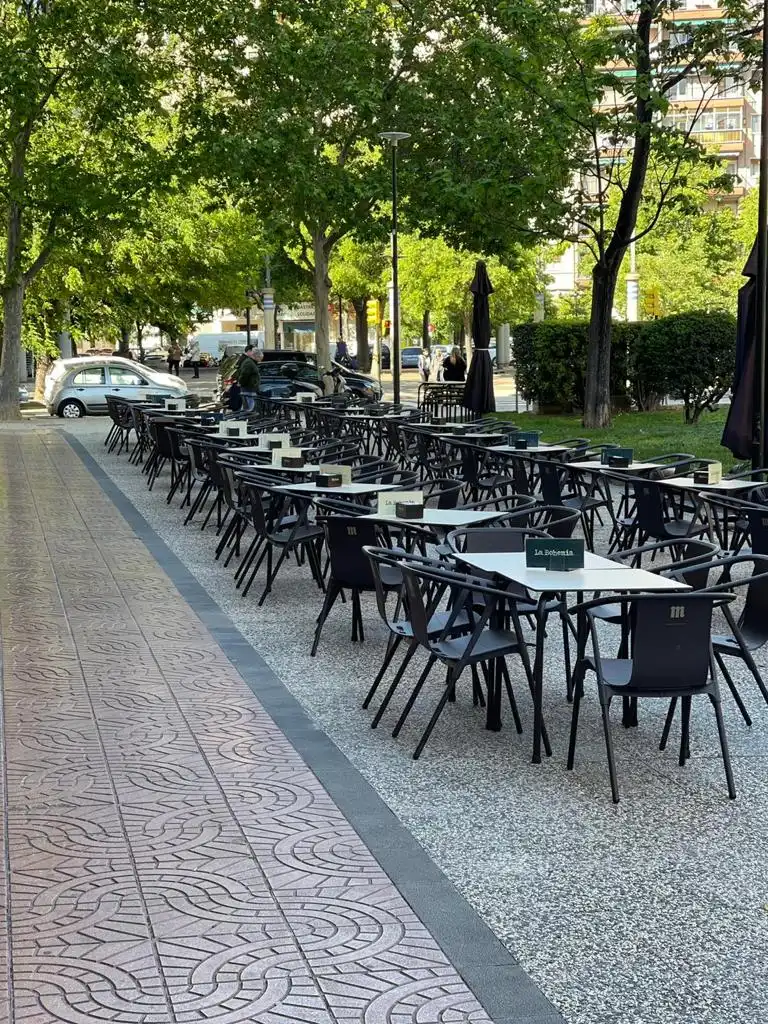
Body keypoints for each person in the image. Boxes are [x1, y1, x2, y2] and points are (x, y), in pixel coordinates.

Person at [237, 347, 263, 413]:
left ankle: (245, 420)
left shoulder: (251, 363)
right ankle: (246, 420)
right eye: (260, 358)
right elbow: (244, 375)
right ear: (256, 356)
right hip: (248, 389)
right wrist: (241, 383)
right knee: (249, 408)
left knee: (247, 407)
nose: (260, 360)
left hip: (249, 389)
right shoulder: (249, 363)